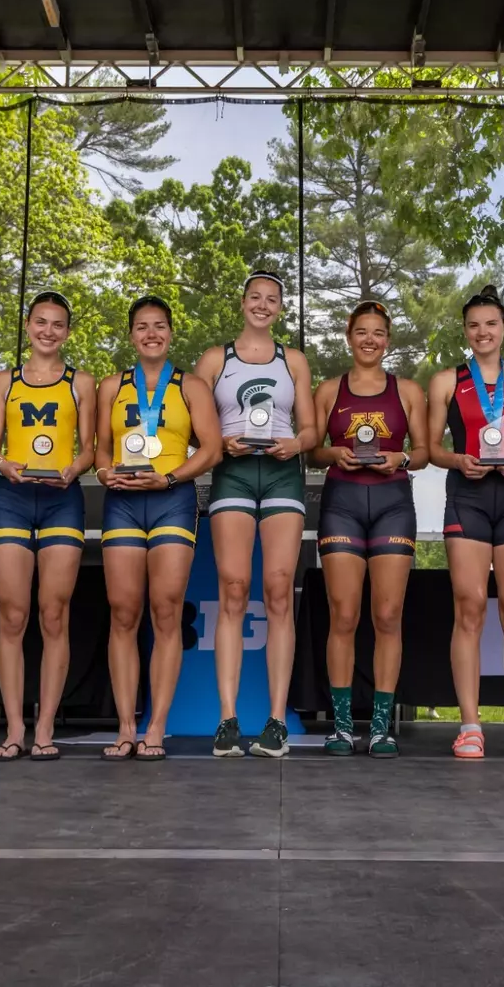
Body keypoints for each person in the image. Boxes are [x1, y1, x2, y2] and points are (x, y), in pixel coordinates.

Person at [193, 269, 315, 758]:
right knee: (234, 589)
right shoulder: (214, 359)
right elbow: (191, 427)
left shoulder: (295, 361)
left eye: (272, 299)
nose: (262, 305)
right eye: (255, 297)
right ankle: (227, 720)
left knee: (279, 588)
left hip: (283, 474)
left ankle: (277, 721)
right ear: (242, 303)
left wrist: (295, 444)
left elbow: (311, 431)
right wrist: (220, 442)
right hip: (235, 474)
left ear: (280, 308)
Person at [94, 296, 222, 760]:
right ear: (131, 335)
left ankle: (156, 727)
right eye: (143, 327)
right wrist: (106, 472)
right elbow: (101, 451)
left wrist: (169, 476)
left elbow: (211, 449)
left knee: (165, 610)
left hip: (171, 499)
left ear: (171, 333)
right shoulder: (112, 386)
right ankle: (126, 726)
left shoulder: (191, 386)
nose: (152, 333)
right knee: (123, 611)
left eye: (160, 326)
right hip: (124, 502)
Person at [427, 286, 504, 761]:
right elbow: (431, 449)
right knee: (470, 607)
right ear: (466, 331)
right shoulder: (446, 381)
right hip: (467, 498)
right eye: (474, 325)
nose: (483, 332)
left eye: (491, 324)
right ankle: (471, 724)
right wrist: (457, 460)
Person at [310, 300, 428, 756]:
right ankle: (342, 726)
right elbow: (311, 451)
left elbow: (422, 452)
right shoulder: (328, 390)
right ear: (349, 336)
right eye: (362, 331)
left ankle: (380, 726)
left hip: (393, 504)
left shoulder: (408, 391)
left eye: (378, 332)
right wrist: (333, 454)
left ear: (388, 340)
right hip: (341, 503)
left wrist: (399, 458)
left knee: (388, 615)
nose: (370, 339)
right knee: (343, 615)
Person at [0, 291, 96, 761]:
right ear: (28, 326)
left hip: (61, 498)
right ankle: (13, 728)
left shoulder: (81, 382)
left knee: (54, 614)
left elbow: (90, 447)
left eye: (58, 325)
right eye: (41, 322)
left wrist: (75, 469)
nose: (48, 331)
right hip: (12, 496)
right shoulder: (3, 380)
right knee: (12, 615)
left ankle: (45, 728)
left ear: (67, 332)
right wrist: (1, 463)